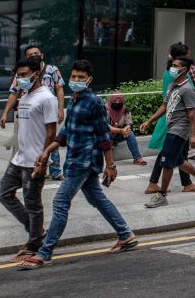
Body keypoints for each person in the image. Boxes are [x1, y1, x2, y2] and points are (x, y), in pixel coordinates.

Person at [18, 60, 137, 269]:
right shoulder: (74, 100)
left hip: (84, 161)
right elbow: (64, 133)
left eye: (81, 78)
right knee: (96, 198)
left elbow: (104, 136)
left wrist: (111, 165)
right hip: (74, 159)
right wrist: (46, 151)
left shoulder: (94, 102)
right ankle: (126, 235)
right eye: (73, 77)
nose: (76, 80)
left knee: (60, 202)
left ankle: (45, 252)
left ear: (89, 80)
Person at [0, 57, 58, 263]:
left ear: (36, 73)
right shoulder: (24, 96)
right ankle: (37, 232)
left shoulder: (46, 98)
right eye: (18, 75)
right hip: (19, 158)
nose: (20, 79)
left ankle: (33, 245)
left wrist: (43, 160)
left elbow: (51, 133)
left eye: (24, 75)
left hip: (35, 160)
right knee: (4, 194)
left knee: (33, 204)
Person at [140, 57, 195, 208]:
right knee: (178, 160)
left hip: (179, 130)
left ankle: (162, 195)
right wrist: (149, 121)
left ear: (184, 70)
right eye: (172, 65)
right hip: (171, 127)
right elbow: (165, 106)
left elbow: (191, 115)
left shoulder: (187, 89)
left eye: (175, 66)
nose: (172, 68)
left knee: (167, 161)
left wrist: (193, 135)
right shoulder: (172, 85)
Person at [0, 45, 65, 179]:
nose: (34, 56)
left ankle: (55, 171)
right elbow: (14, 93)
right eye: (30, 55)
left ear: (42, 55)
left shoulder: (52, 69)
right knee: (29, 140)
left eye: (36, 53)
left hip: (47, 109)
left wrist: (60, 109)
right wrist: (5, 112)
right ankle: (34, 166)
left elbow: (59, 89)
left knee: (51, 137)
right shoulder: (23, 73)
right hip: (28, 109)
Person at [146, 43, 195, 194]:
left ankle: (187, 182)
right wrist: (194, 133)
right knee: (169, 154)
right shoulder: (178, 77)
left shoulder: (169, 73)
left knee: (178, 153)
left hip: (173, 118)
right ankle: (156, 184)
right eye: (186, 55)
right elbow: (188, 105)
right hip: (177, 120)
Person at [105, 92, 146, 166]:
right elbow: (104, 126)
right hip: (106, 134)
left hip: (119, 134)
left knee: (130, 133)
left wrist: (126, 129)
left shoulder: (125, 110)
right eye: (115, 101)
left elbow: (129, 123)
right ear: (111, 100)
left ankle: (137, 158)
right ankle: (109, 160)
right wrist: (120, 130)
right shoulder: (105, 109)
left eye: (119, 101)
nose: (117, 103)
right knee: (107, 134)